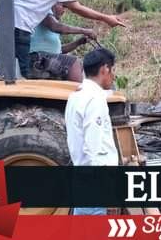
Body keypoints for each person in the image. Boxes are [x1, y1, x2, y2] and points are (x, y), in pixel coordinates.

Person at [64, 48, 119, 215]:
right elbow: (93, 145)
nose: (114, 76)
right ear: (105, 69)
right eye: (113, 70)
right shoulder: (94, 99)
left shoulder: (75, 96)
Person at [27, 3, 97, 82]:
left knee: (79, 65)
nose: (64, 10)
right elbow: (56, 26)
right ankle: (77, 94)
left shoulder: (52, 24)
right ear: (53, 3)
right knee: (73, 64)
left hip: (44, 59)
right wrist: (84, 31)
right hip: (35, 58)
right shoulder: (43, 9)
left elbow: (59, 50)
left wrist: (79, 42)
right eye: (63, 6)